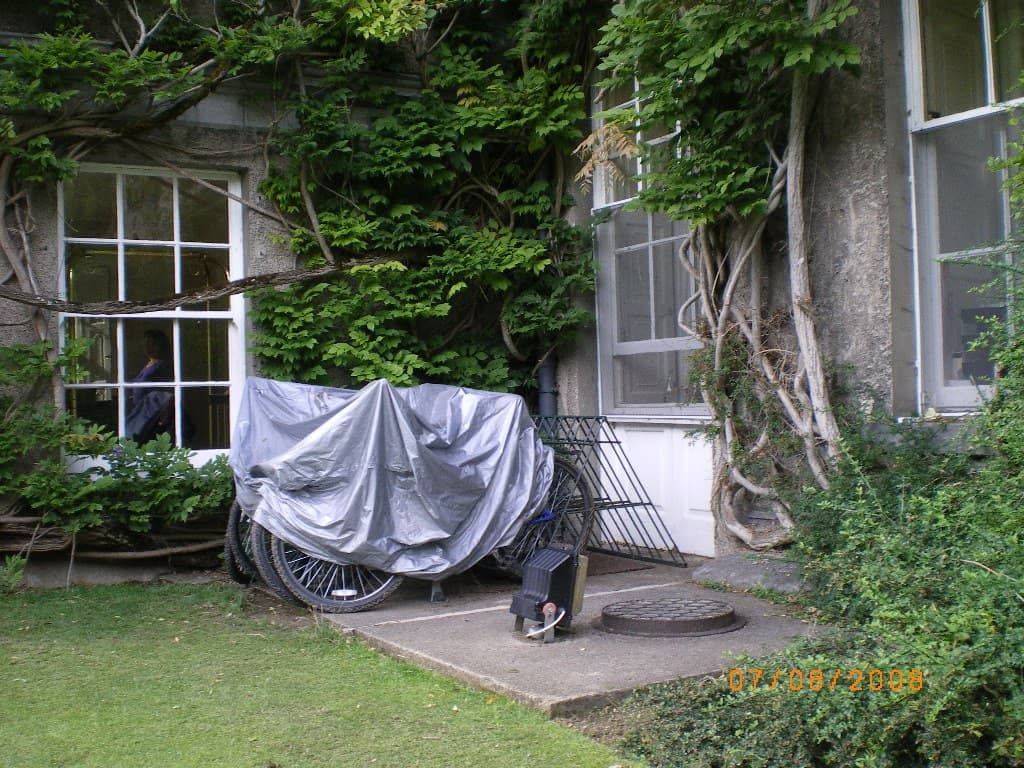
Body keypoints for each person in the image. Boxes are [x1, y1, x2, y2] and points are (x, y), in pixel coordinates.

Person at [125, 329, 174, 444]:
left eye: (153, 344)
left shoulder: (162, 367)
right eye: (146, 344)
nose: (148, 348)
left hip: (153, 414)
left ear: (161, 346)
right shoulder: (150, 364)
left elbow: (169, 393)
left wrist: (164, 416)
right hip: (140, 411)